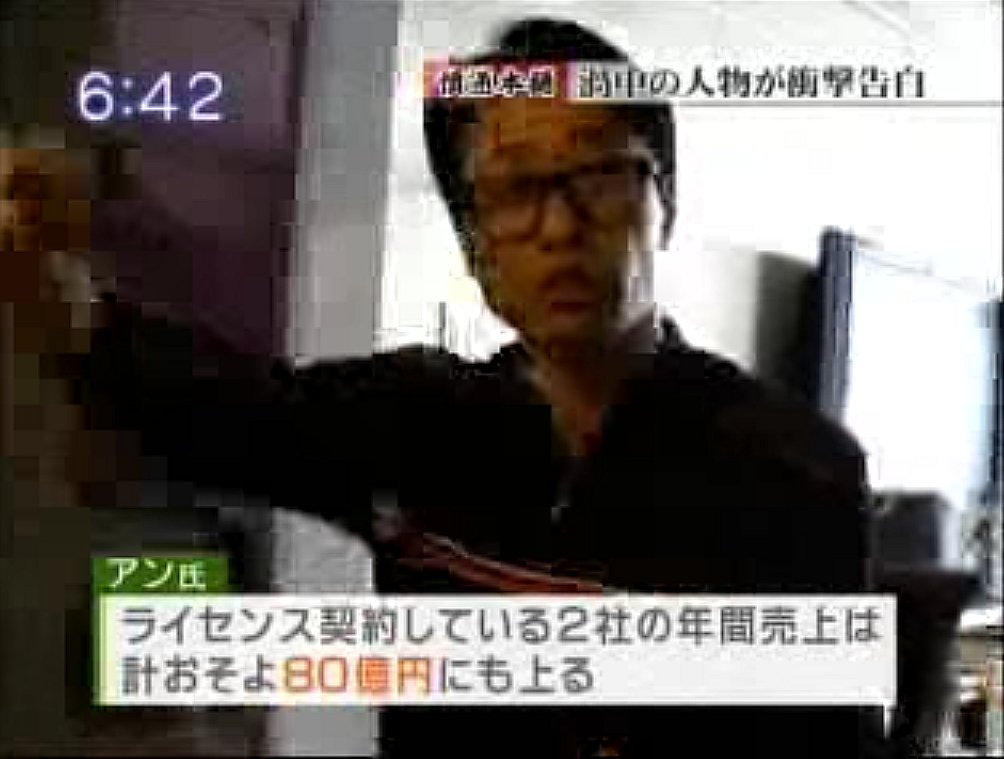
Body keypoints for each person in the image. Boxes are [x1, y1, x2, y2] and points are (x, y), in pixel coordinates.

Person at [2, 17, 888, 759]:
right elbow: (211, 410)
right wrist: (40, 263)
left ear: (666, 201)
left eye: (597, 172)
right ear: (474, 250)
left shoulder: (797, 469)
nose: (558, 224)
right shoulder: (415, 419)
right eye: (512, 189)